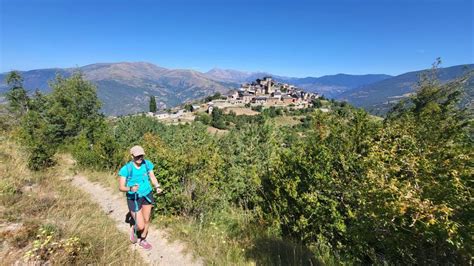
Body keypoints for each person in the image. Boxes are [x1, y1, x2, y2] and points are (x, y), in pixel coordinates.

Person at [118, 145, 163, 250]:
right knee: (141, 225)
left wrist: (157, 187)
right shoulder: (126, 169)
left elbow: (152, 176)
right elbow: (121, 187)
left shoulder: (147, 164)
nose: (140, 158)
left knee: (147, 219)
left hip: (147, 194)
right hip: (133, 198)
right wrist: (130, 189)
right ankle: (134, 228)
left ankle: (143, 239)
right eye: (137, 156)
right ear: (132, 156)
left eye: (141, 155)